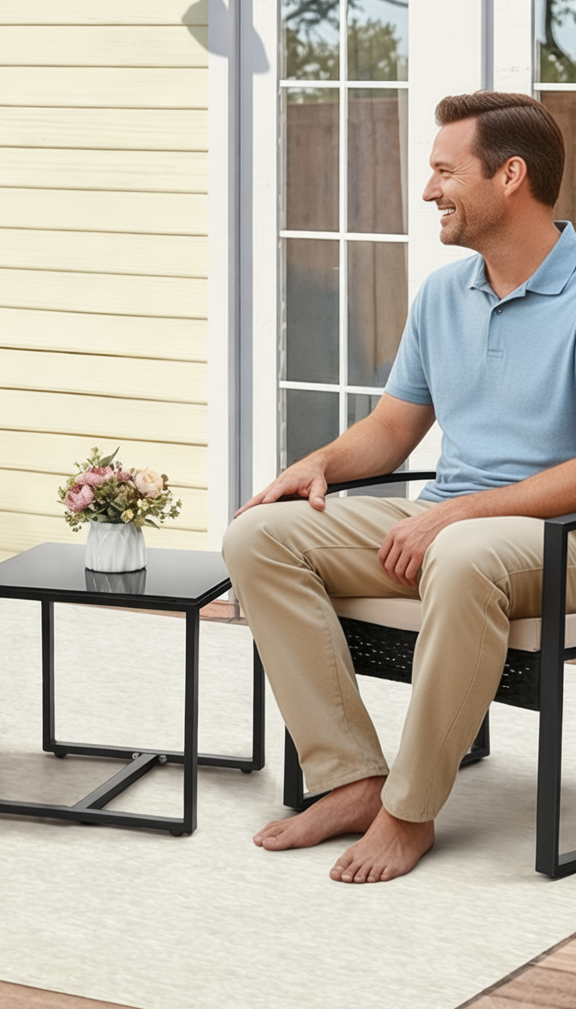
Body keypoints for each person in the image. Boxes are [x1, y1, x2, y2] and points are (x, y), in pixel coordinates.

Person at [223, 91, 576, 883]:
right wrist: (315, 464)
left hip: (557, 541)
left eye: (444, 172)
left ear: (510, 176)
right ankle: (351, 781)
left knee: (463, 554)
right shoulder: (444, 294)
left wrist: (453, 517)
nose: (427, 192)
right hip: (450, 523)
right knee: (259, 534)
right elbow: (391, 428)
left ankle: (408, 812)